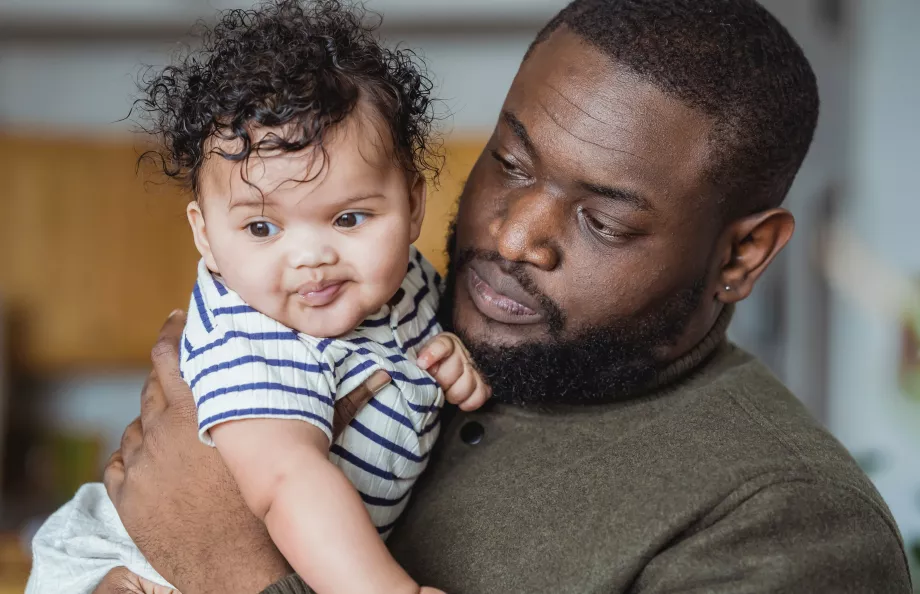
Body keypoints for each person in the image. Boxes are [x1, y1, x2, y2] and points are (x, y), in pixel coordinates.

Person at [95, 0, 919, 592]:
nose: (515, 235)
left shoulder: (789, 527)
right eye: (511, 164)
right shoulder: (385, 311)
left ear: (741, 254)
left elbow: (205, 524)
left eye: (602, 221)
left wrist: (231, 567)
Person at [26, 2, 490, 593]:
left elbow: (409, 344)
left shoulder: (403, 279)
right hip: (134, 561)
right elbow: (288, 483)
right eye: (263, 228)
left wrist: (446, 354)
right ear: (206, 236)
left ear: (413, 205)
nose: (310, 257)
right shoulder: (251, 336)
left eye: (349, 218)